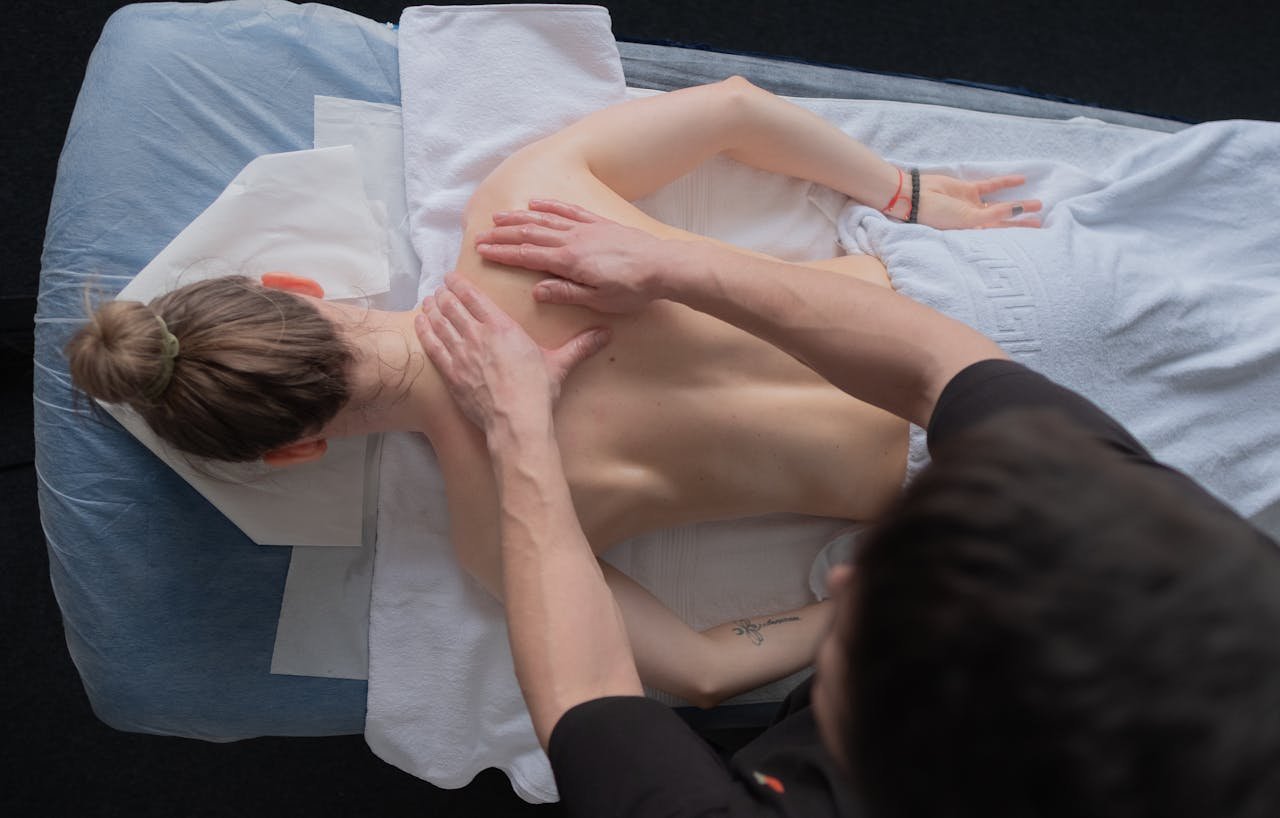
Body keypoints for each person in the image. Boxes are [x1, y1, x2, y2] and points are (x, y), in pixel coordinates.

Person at [65, 78, 1039, 707]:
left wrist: (860, 600)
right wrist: (902, 190)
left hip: (989, 478)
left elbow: (702, 671)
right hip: (955, 303)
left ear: (294, 449)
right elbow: (735, 109)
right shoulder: (515, 211)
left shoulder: (500, 532)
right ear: (300, 290)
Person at [419, 200, 1280, 817]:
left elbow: (591, 692)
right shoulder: (1148, 552)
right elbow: (939, 362)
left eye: (870, 617)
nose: (842, 567)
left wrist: (517, 433)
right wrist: (675, 264)